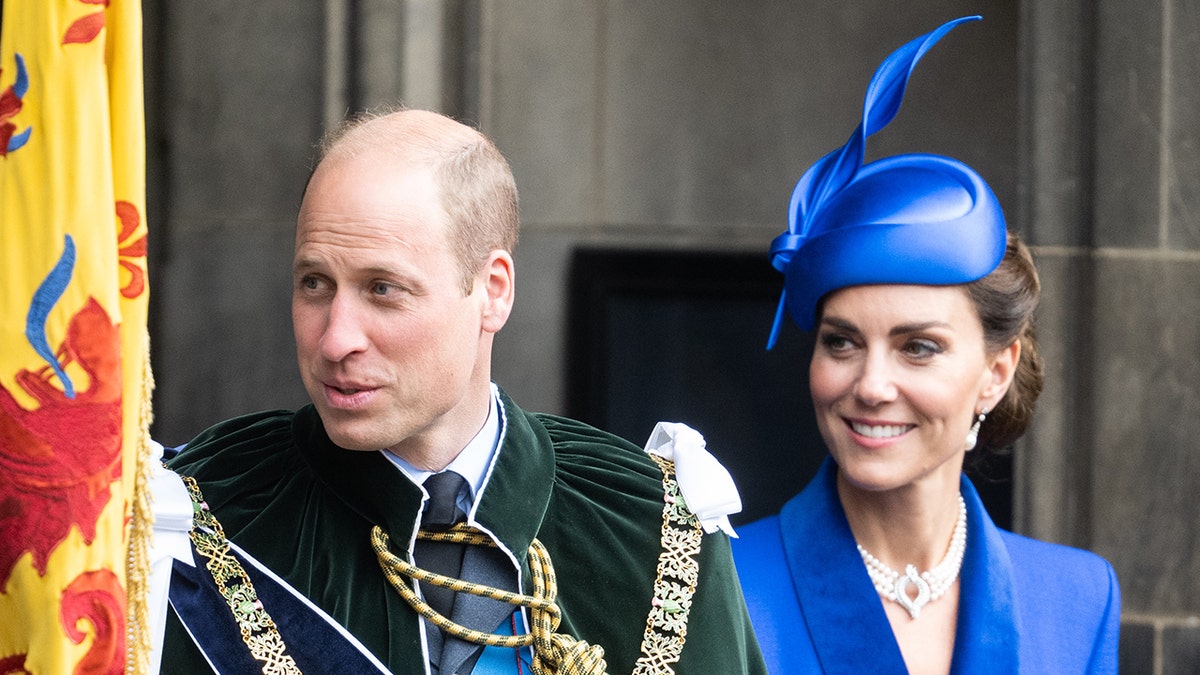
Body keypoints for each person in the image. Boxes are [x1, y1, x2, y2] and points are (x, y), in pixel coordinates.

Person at [156, 108, 766, 674]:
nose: (336, 339)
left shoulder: (649, 527)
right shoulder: (197, 513)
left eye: (383, 289)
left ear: (493, 290)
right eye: (315, 283)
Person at [731, 16, 1120, 675]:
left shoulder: (1077, 601)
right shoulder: (723, 588)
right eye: (842, 342)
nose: (872, 383)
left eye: (919, 347)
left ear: (997, 371)